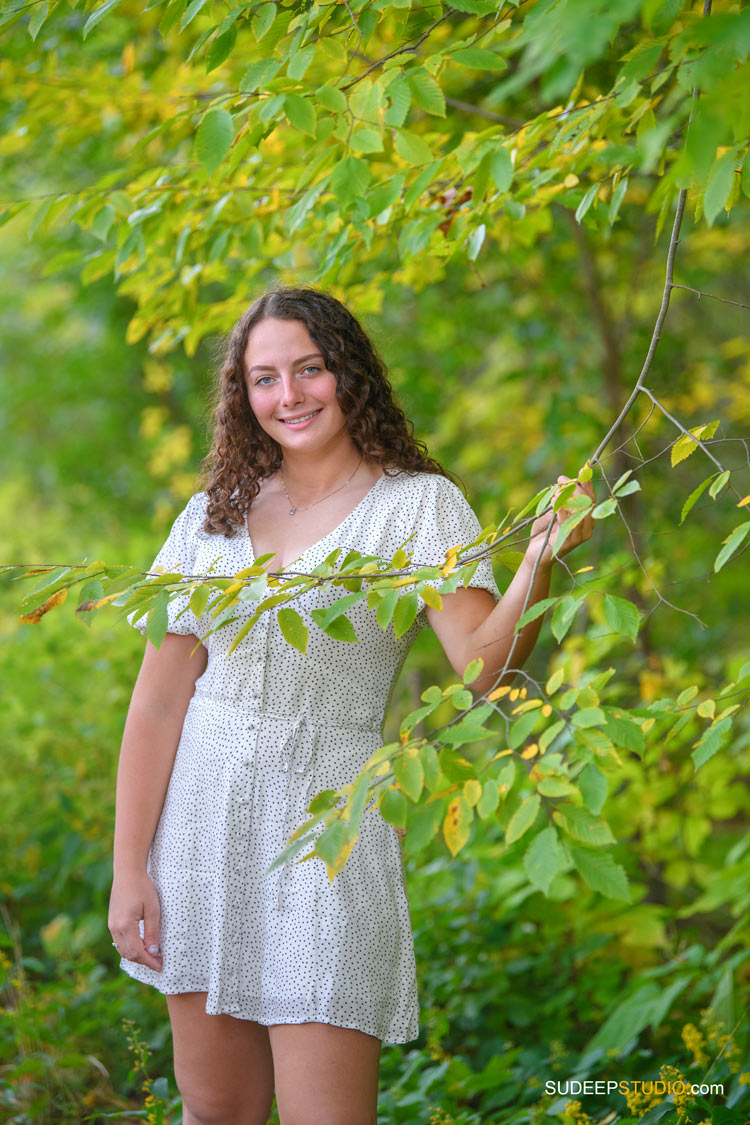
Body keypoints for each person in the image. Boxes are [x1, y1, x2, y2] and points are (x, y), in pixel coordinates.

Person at [108, 287, 594, 1125]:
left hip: (328, 825)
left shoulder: (416, 507)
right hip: (198, 824)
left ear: (349, 371)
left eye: (309, 369)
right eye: (265, 378)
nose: (288, 395)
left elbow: (484, 668)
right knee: (215, 1110)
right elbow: (156, 703)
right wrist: (129, 867)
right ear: (242, 395)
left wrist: (537, 561)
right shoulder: (210, 518)